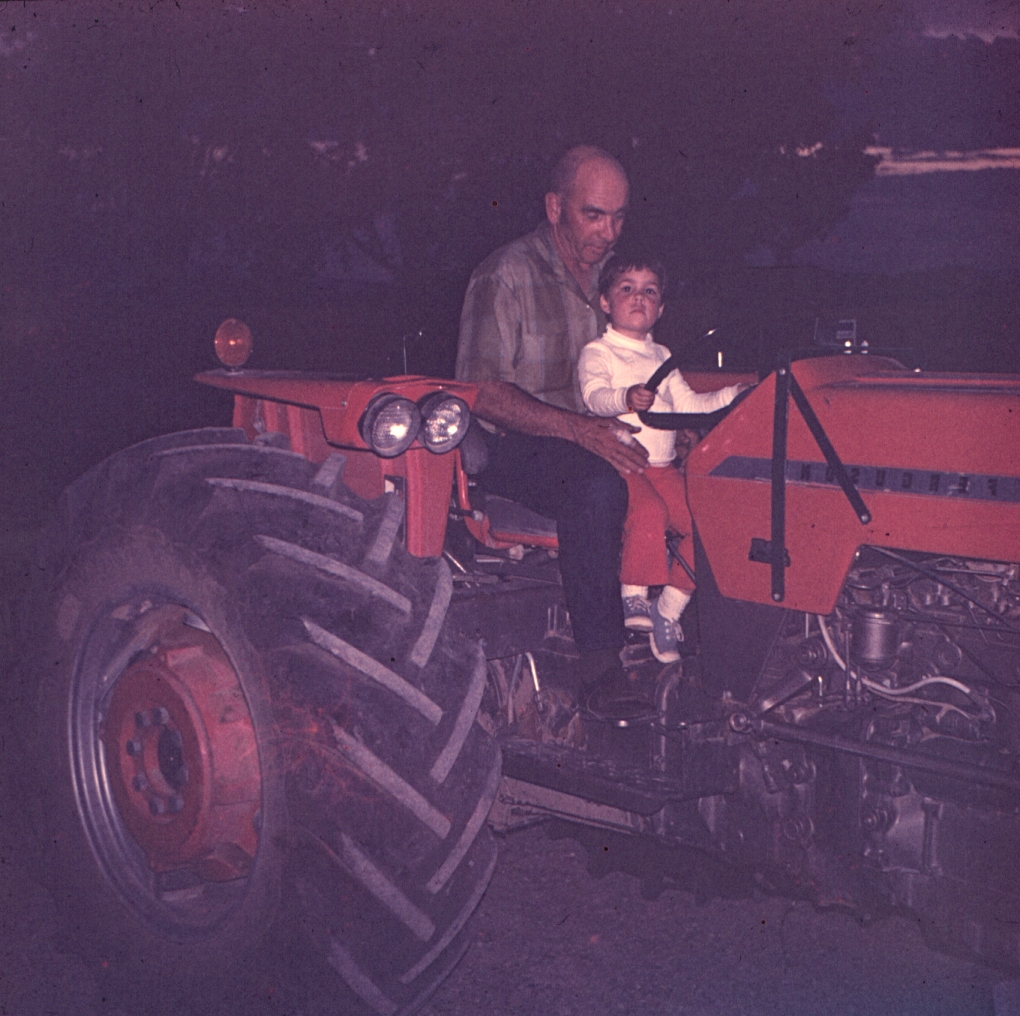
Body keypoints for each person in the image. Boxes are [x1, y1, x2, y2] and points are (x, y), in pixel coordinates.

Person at [455, 145, 647, 704]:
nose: (609, 233)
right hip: (514, 446)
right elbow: (484, 393)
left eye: (619, 217)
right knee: (596, 485)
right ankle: (600, 667)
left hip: (592, 436)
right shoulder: (505, 275)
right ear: (555, 206)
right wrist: (580, 430)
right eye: (594, 215)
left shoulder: (616, 283)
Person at [578, 253, 746, 663]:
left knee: (706, 528)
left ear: (661, 309)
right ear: (605, 302)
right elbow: (593, 396)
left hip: (664, 467)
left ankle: (668, 608)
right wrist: (624, 398)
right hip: (622, 462)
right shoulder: (598, 352)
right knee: (649, 511)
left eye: (649, 291)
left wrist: (731, 395)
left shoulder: (662, 356)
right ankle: (633, 595)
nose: (639, 298)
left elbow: (690, 404)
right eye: (627, 289)